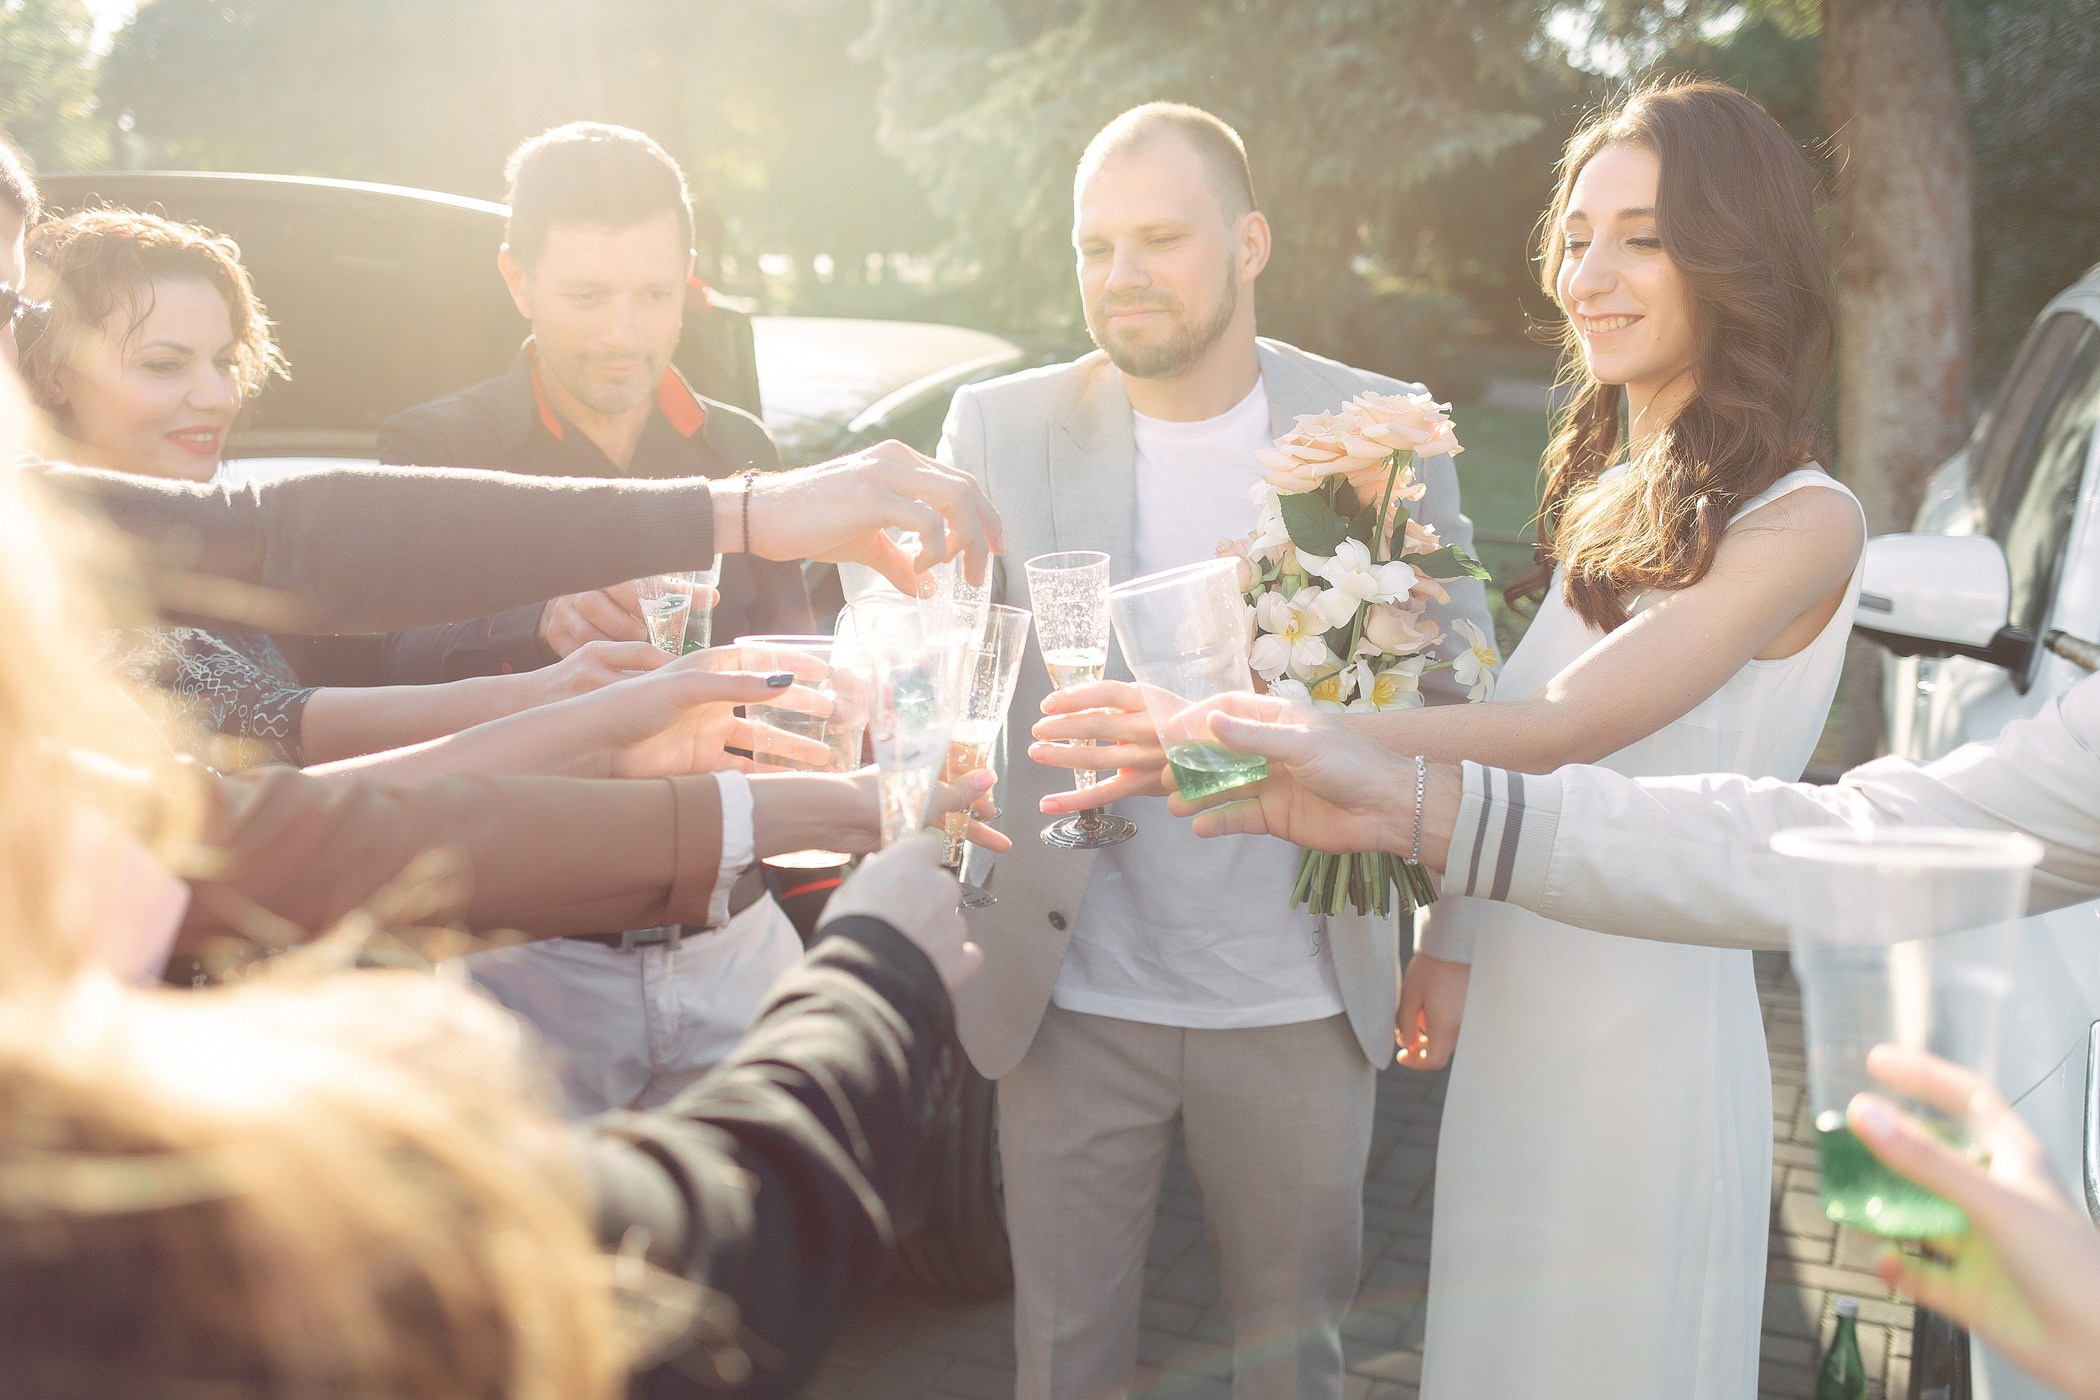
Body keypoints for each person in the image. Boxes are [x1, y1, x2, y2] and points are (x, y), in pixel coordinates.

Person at [1067, 79, 1860, 1396]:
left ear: (1738, 255)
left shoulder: (1802, 518)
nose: (1589, 274)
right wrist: (1451, 942)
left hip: (1642, 1031)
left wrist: (1259, 725)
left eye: (1644, 238)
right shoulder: (1614, 489)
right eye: (1578, 233)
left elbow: (1562, 727)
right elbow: (1500, 732)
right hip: (1523, 1018)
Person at [872, 101, 1494, 1400]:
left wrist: (1453, 941)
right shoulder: (1000, 427)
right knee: (1064, 1362)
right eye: (1096, 247)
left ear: (1250, 242)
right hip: (1069, 989)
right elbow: (922, 655)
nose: (1123, 275)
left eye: (1160, 237)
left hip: (1300, 999)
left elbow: (1463, 691)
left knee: (1293, 1366)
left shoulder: (1376, 434)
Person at [1166, 679, 2100, 1400]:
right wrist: (1417, 810)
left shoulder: (1804, 521)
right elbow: (1868, 830)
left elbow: (1561, 725)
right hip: (1537, 988)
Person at [21, 206, 674, 769]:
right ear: (52, 375)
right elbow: (276, 721)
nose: (217, 397)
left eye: (224, 362)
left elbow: (377, 660)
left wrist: (543, 633)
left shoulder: (224, 553)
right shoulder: (37, 569)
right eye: (165, 365)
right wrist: (552, 698)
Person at [375, 121, 811, 679]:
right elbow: (384, 663)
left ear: (686, 277)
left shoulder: (741, 443)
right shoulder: (434, 448)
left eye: (654, 294)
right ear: (518, 280)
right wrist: (538, 624)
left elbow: (795, 658)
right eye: (588, 297)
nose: (623, 335)